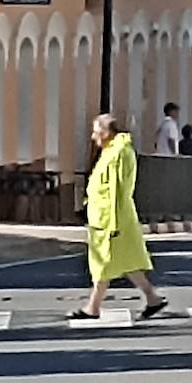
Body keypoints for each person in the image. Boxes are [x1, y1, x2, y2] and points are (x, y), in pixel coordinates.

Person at [69, 114, 168, 321]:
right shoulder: (112, 151)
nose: (93, 136)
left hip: (111, 219)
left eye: (96, 131)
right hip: (106, 217)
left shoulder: (119, 153)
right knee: (125, 262)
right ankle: (152, 299)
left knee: (103, 263)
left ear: (106, 133)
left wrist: (113, 222)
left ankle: (92, 308)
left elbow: (116, 190)